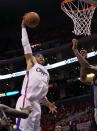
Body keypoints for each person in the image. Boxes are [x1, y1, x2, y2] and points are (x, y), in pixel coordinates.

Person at [16, 16, 57, 131]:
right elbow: (26, 45)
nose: (40, 57)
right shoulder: (32, 63)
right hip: (26, 101)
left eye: (42, 56)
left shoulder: (47, 73)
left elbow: (42, 95)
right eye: (38, 56)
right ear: (34, 58)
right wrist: (23, 27)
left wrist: (49, 104)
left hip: (37, 105)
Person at [72, 39, 97, 130]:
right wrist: (83, 59)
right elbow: (83, 78)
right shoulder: (94, 78)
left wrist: (75, 50)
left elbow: (87, 66)